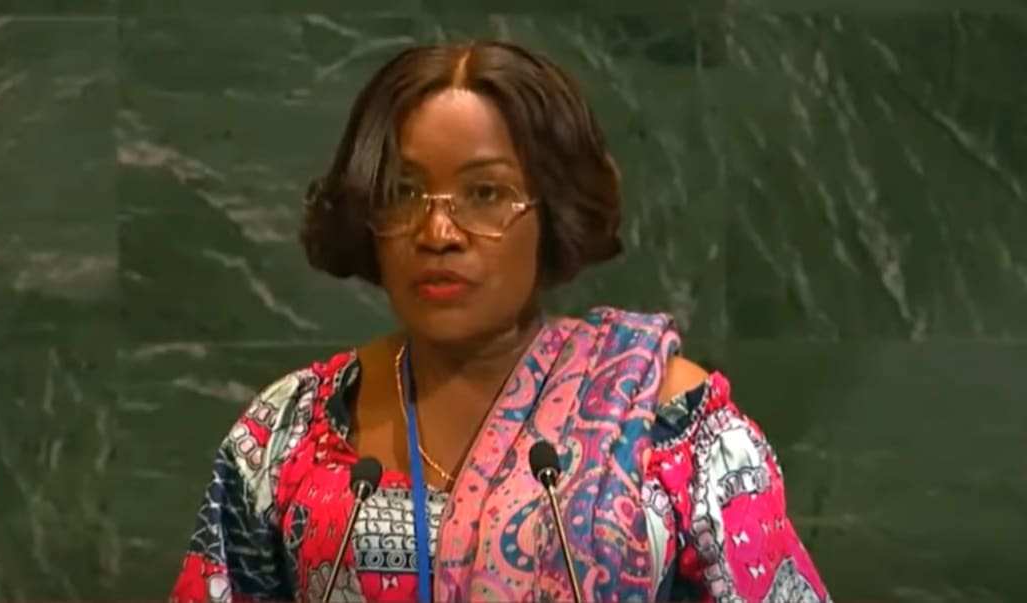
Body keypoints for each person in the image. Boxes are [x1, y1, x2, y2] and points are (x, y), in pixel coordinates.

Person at [168, 40, 831, 603]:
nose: (438, 231)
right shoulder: (289, 431)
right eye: (403, 193)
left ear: (554, 212)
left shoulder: (668, 422)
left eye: (485, 193)